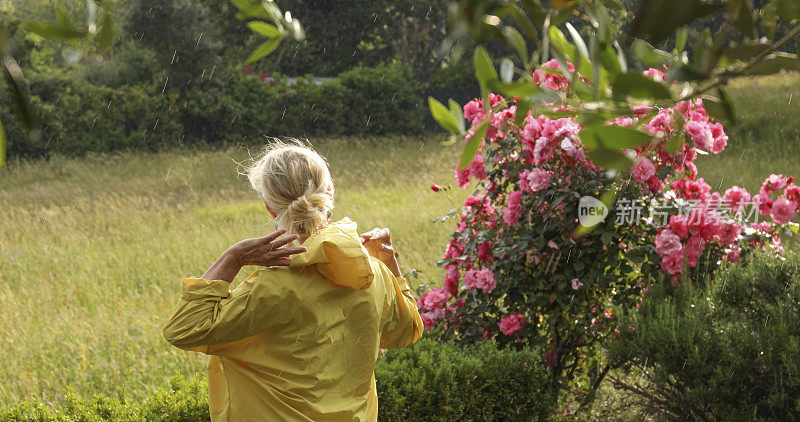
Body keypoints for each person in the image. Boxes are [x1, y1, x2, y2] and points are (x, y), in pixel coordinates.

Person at [163, 142, 423, 421]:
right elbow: (407, 331)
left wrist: (234, 257)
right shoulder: (372, 273)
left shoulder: (272, 287)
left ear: (270, 209)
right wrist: (389, 262)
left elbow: (184, 328)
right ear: (330, 192)